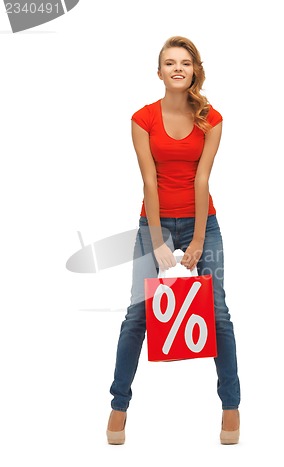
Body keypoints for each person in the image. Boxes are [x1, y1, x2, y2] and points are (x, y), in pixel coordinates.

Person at [107, 36, 241, 445]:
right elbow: (149, 180)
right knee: (137, 316)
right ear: (160, 71)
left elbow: (202, 179)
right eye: (170, 62)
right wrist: (157, 239)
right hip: (155, 226)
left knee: (217, 313)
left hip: (204, 222)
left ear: (194, 69)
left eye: (185, 62)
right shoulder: (142, 118)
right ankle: (118, 407)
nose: (178, 68)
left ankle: (231, 408)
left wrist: (199, 238)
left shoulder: (211, 118)